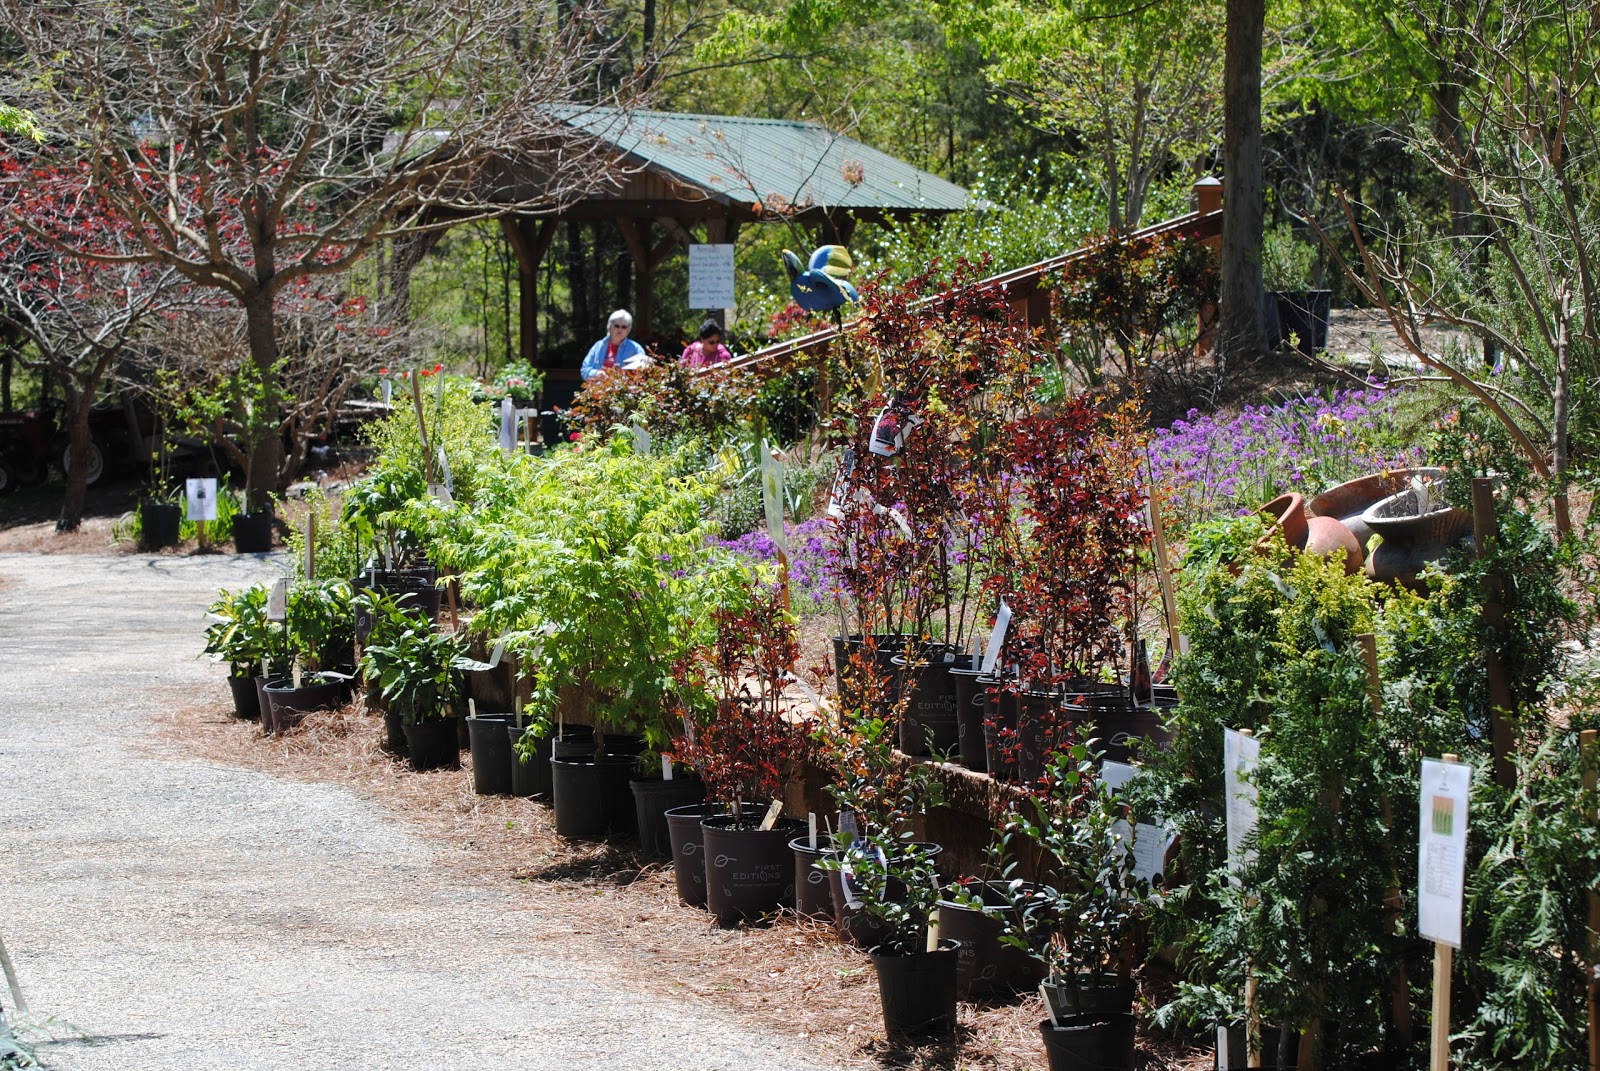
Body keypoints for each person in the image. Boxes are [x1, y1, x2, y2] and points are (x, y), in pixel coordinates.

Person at [579, 309, 649, 381]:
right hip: (598, 387)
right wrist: (596, 373)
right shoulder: (598, 346)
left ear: (628, 330)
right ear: (609, 327)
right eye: (616, 326)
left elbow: (643, 374)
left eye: (624, 327)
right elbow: (584, 370)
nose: (620, 330)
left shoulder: (636, 349)